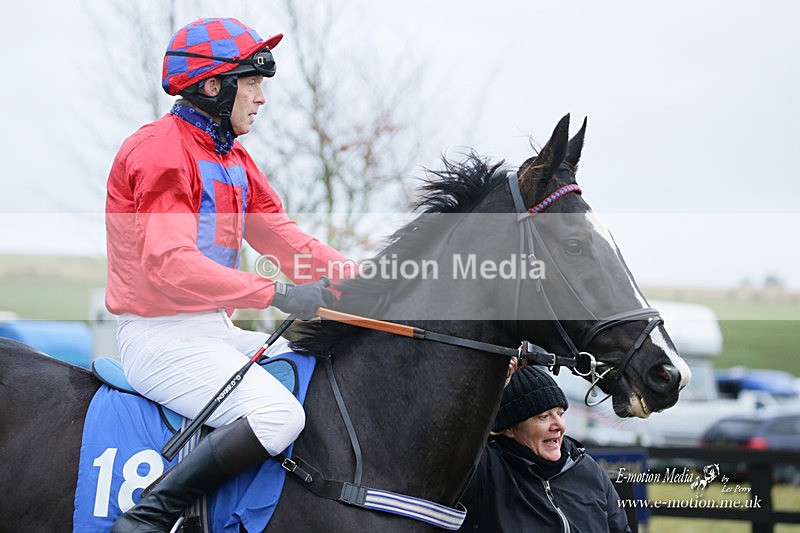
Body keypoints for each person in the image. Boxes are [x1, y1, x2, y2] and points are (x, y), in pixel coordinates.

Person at [105, 17, 351, 532]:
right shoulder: (159, 149)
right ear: (214, 85)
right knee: (280, 416)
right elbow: (170, 265)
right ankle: (150, 517)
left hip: (213, 332)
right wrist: (276, 292)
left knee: (322, 377)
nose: (261, 98)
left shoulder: (234, 157)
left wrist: (373, 283)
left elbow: (286, 241)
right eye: (254, 83)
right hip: (158, 339)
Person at [459, 362, 631, 532]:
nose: (559, 425)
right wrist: (487, 391)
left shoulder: (589, 470)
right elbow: (451, 438)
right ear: (509, 428)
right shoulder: (484, 470)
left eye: (560, 414)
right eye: (543, 416)